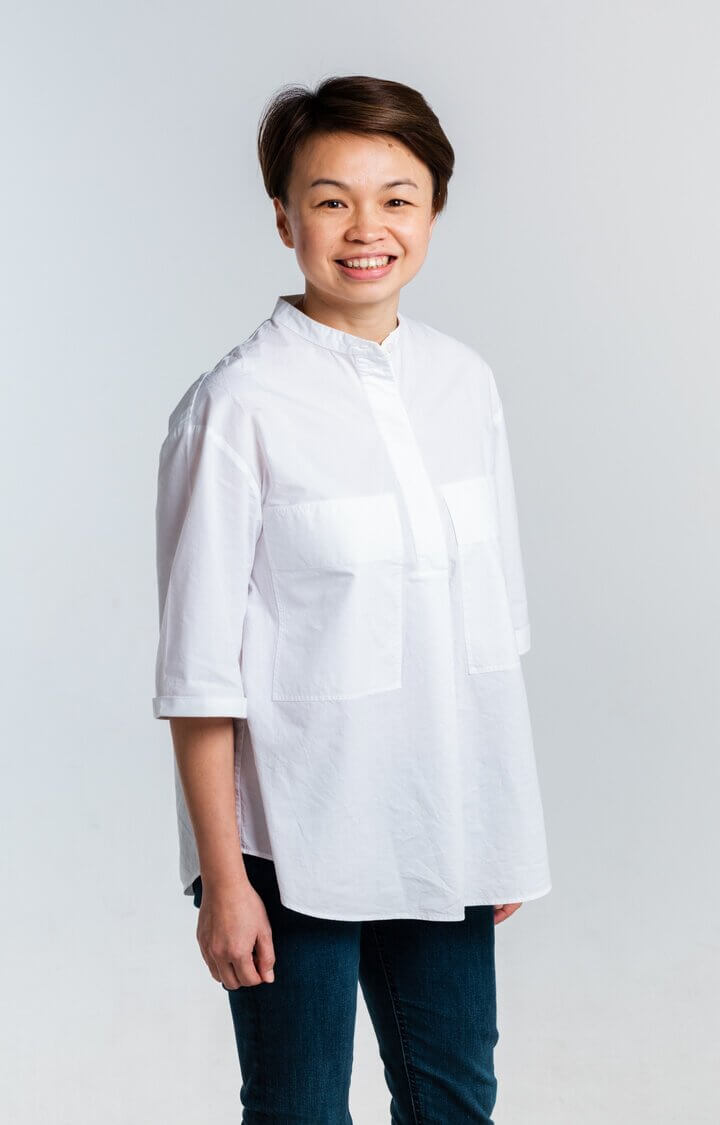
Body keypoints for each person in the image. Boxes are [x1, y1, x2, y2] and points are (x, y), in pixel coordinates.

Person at [151, 74, 551, 1123]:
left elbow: (486, 635)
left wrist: (496, 826)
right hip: (288, 847)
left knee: (456, 1103)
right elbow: (198, 675)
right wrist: (225, 881)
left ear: (434, 211)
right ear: (284, 218)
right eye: (331, 200)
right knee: (298, 1111)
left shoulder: (464, 385)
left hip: (440, 826)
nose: (366, 228)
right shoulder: (235, 407)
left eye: (397, 198)